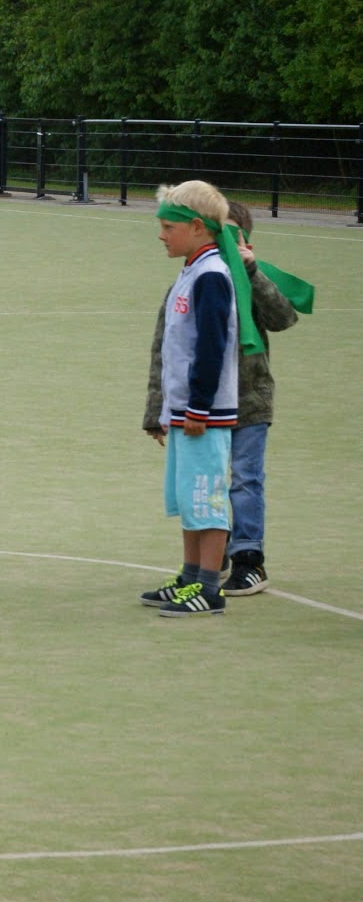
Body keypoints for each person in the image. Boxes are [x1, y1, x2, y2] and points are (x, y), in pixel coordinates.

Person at [142, 197, 308, 598]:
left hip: (248, 397)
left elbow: (283, 317)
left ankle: (249, 558)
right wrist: (156, 409)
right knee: (200, 483)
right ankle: (205, 567)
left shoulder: (237, 275)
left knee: (244, 480)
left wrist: (251, 270)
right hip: (200, 402)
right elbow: (166, 348)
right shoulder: (194, 276)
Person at [139, 180, 255, 620]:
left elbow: (211, 347)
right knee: (190, 497)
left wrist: (198, 408)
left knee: (207, 499)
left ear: (197, 227)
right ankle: (190, 576)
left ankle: (210, 587)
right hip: (185, 410)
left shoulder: (211, 275)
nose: (161, 234)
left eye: (168, 226)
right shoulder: (192, 269)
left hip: (204, 414)